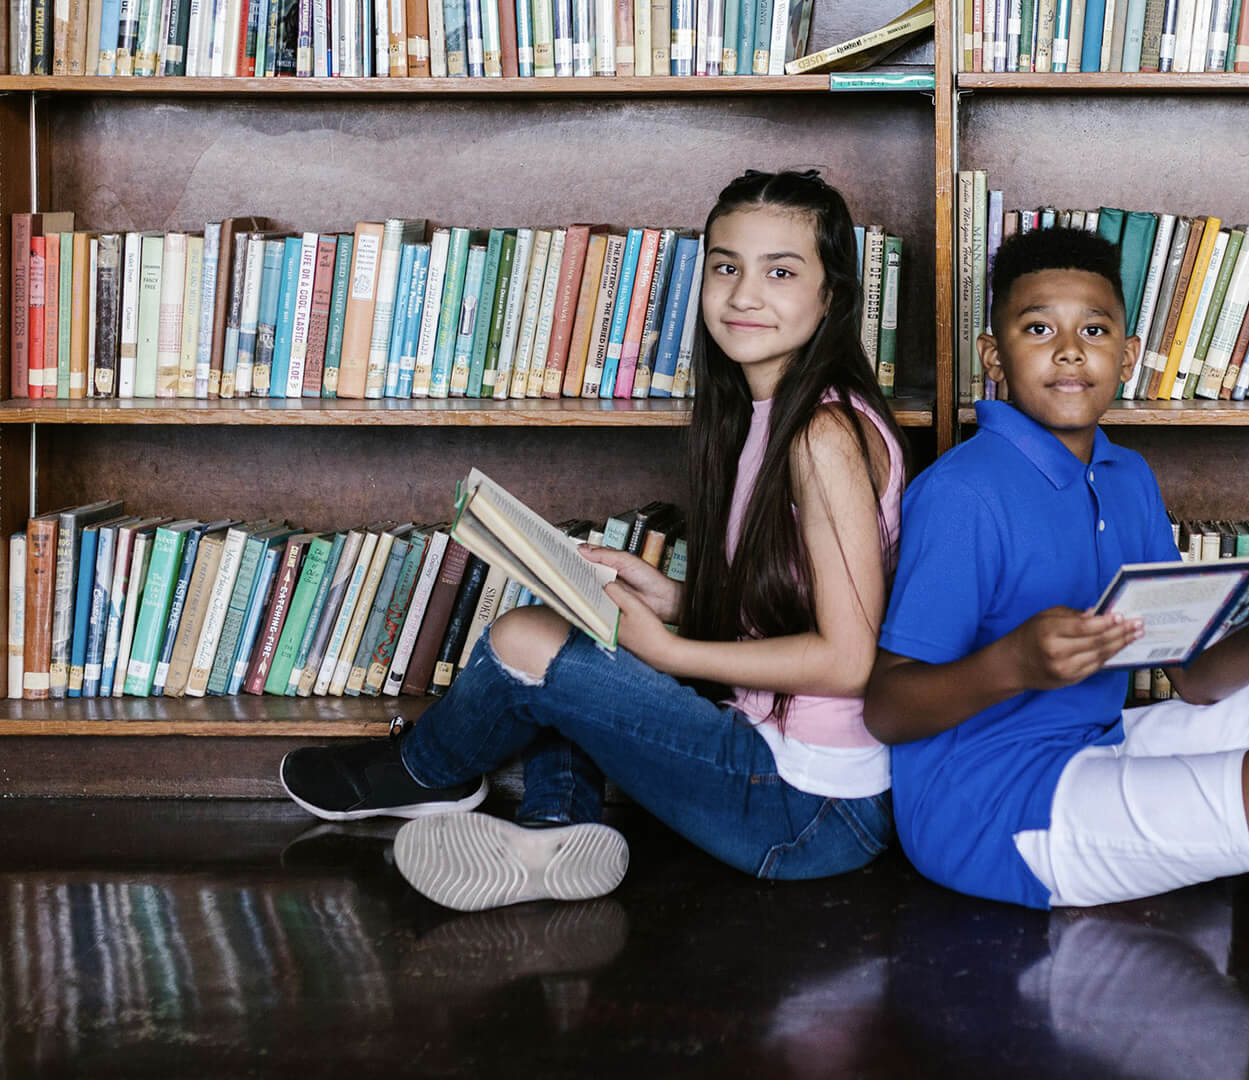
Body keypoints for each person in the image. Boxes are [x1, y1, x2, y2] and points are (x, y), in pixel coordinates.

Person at [863, 226, 1249, 951]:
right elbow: (887, 710)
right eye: (1038, 327)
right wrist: (1013, 664)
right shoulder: (962, 492)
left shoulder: (1127, 476)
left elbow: (1195, 678)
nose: (1069, 350)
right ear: (993, 355)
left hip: (1097, 743)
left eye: (1095, 329)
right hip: (988, 806)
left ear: (1127, 357)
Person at [280, 169, 906, 912]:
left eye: (781, 272)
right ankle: (552, 827)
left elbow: (846, 659)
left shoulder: (822, 434)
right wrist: (675, 597)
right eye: (726, 267)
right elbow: (797, 600)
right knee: (578, 626)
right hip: (787, 775)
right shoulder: (780, 414)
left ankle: (428, 770)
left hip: (807, 810)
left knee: (521, 639)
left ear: (832, 296)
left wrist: (668, 647)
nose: (744, 295)